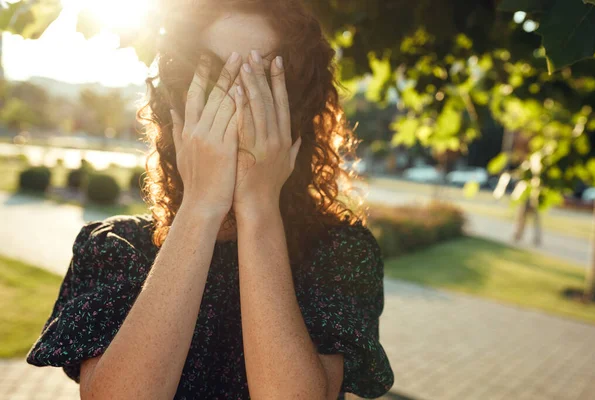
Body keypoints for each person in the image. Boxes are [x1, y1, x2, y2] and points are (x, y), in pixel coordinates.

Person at [26, 0, 394, 398]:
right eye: (215, 77)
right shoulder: (114, 249)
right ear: (177, 108)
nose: (234, 105)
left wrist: (258, 208)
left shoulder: (341, 254)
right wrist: (201, 206)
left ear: (298, 111)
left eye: (263, 80)